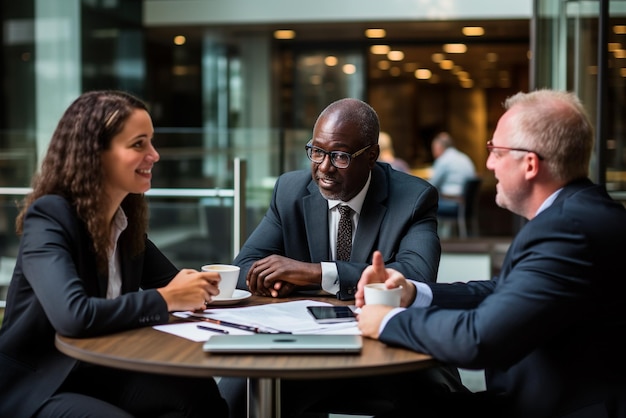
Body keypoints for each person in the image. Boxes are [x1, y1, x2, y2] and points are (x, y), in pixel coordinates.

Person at [356, 89, 626, 418]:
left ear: (529, 164)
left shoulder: (568, 230)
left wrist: (387, 321)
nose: (488, 164)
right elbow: (503, 291)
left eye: (496, 151)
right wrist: (412, 292)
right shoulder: (579, 213)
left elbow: (479, 340)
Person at [222, 98, 464, 417]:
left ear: (372, 156)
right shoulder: (290, 190)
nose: (323, 167)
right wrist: (273, 281)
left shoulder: (413, 198)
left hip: (386, 352)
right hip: (305, 350)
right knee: (229, 398)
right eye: (317, 151)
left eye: (339, 156)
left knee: (433, 397)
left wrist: (315, 273)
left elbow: (414, 276)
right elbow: (245, 266)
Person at [0, 90, 228, 418]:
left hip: (100, 369)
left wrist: (211, 289)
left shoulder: (123, 220)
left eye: (151, 141)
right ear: (95, 154)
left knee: (197, 392)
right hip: (39, 384)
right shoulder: (49, 217)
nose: (155, 155)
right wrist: (167, 299)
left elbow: (176, 283)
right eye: (139, 144)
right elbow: (74, 316)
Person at [429, 131, 476, 215]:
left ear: (440, 147)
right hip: (467, 204)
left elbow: (432, 186)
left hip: (453, 203)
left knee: (427, 204)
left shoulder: (443, 160)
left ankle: (438, 228)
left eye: (433, 149)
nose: (433, 153)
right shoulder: (464, 157)